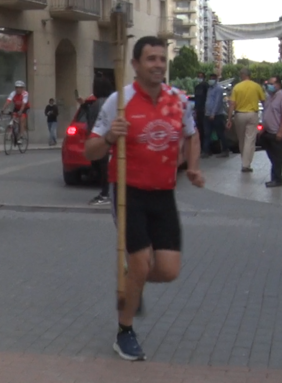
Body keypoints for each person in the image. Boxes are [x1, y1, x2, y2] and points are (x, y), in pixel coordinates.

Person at [84, 36, 204, 362]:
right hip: (127, 192)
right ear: (135, 64)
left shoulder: (178, 99)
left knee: (167, 270)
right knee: (140, 262)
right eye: (151, 59)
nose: (158, 65)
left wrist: (192, 167)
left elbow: (192, 136)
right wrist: (110, 136)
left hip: (164, 194)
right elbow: (89, 149)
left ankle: (131, 281)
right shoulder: (118, 102)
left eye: (162, 59)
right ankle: (125, 332)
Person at [226, 68, 265, 172]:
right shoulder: (256, 86)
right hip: (252, 114)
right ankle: (246, 164)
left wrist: (229, 119)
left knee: (241, 139)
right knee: (250, 139)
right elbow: (263, 101)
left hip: (239, 115)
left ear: (242, 75)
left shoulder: (237, 87)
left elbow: (232, 104)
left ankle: (244, 161)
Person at [87, 75, 114, 206]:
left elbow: (95, 123)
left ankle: (105, 193)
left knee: (102, 168)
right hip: (107, 142)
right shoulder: (110, 101)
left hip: (101, 141)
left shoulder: (99, 104)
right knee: (104, 169)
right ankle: (107, 192)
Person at [260, 76, 282, 188]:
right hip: (268, 132)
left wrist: (280, 132)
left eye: (271, 83)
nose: (269, 86)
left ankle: (277, 179)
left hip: (278, 133)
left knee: (278, 158)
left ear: (278, 84)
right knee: (273, 157)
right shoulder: (269, 97)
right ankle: (275, 178)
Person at [203, 73, 230, 158]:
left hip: (217, 115)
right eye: (210, 78)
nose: (211, 80)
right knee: (207, 133)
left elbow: (217, 102)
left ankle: (225, 150)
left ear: (216, 79)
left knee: (220, 133)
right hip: (208, 114)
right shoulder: (209, 89)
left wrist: (213, 114)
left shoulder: (219, 89)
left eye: (213, 78)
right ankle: (206, 151)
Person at [193, 72, 209, 153]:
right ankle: (201, 147)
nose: (199, 78)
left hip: (204, 111)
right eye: (198, 76)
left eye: (201, 77)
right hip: (199, 111)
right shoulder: (197, 87)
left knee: (205, 130)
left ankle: (206, 149)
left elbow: (207, 99)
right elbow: (196, 100)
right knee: (200, 130)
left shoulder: (206, 86)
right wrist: (195, 110)